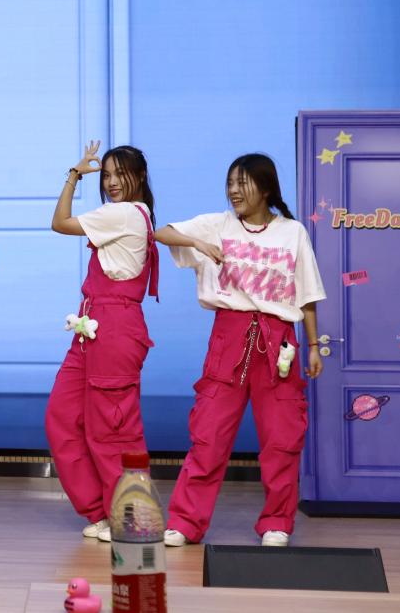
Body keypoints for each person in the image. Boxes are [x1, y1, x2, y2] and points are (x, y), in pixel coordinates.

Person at [156, 153, 325, 547]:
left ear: (265, 188)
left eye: (242, 182)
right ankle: (186, 522)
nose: (233, 190)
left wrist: (315, 346)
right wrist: (197, 242)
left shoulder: (293, 232)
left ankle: (276, 522)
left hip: (278, 340)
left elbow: (307, 295)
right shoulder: (217, 225)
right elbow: (161, 233)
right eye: (230, 183)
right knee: (209, 434)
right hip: (228, 337)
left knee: (282, 438)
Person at [45, 141, 159, 542]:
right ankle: (101, 511)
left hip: (114, 326)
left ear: (139, 177)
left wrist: (75, 175)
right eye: (106, 175)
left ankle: (131, 518)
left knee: (113, 430)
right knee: (62, 416)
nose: (111, 182)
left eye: (120, 174)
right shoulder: (130, 214)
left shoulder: (125, 213)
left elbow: (60, 222)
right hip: (91, 324)